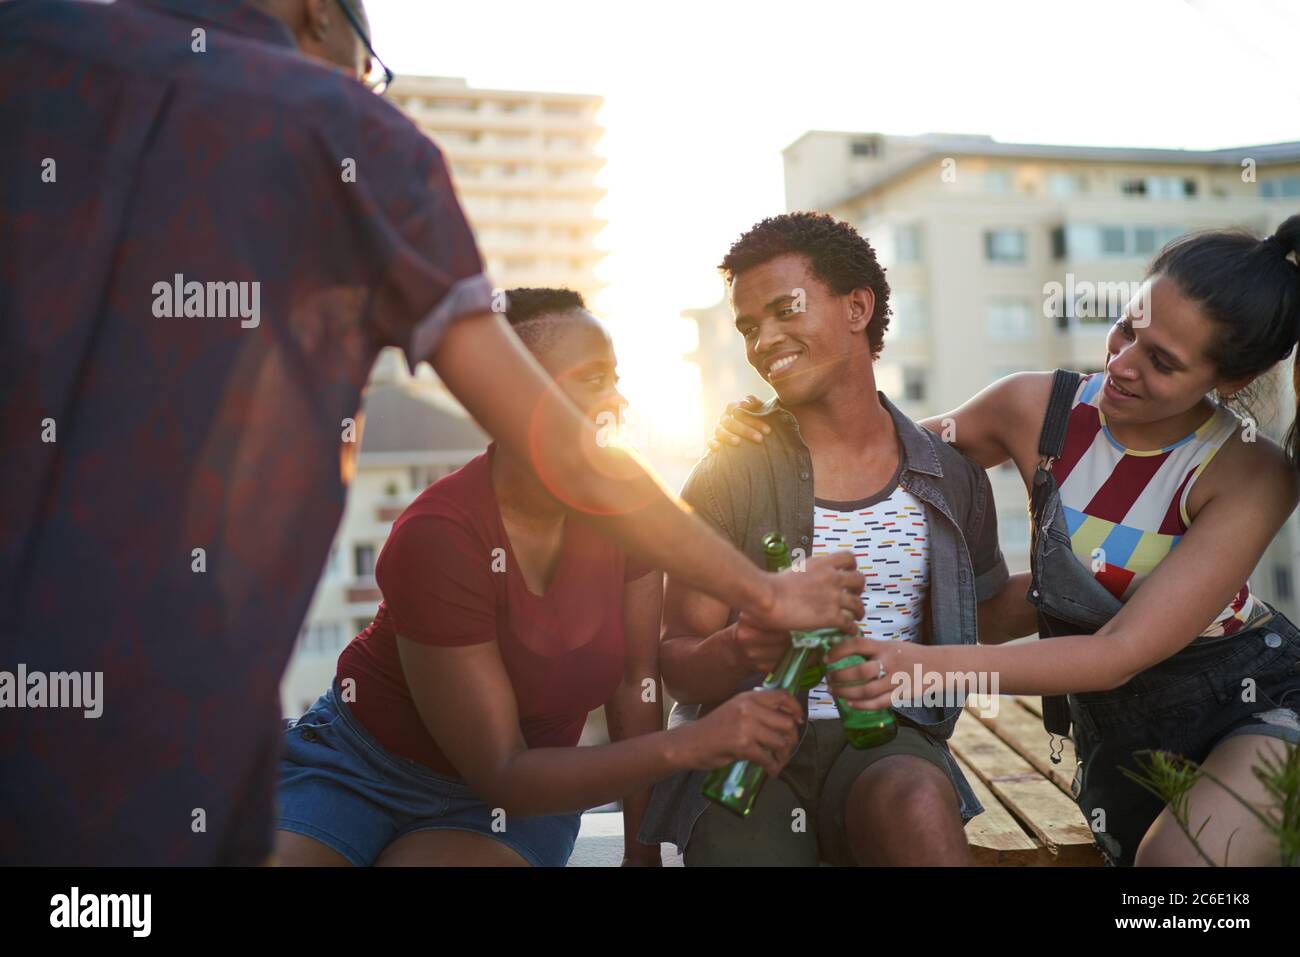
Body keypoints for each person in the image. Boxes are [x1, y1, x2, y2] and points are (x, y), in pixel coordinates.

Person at [0, 0, 862, 865]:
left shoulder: (26, 45)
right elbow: (569, 459)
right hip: (233, 736)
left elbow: (637, 674)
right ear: (314, 15)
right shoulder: (347, 135)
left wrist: (641, 846)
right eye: (370, 64)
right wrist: (771, 596)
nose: (365, 85)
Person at [717, 216, 1300, 866]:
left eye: (1161, 361)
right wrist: (775, 423)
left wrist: (920, 666)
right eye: (1127, 328)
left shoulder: (1252, 471)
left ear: (1228, 379)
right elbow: (884, 446)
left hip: (1252, 706)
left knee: (1177, 868)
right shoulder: (1036, 407)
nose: (1121, 364)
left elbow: (1117, 652)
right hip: (1118, 735)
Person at [276, 289, 805, 867]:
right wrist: (696, 743)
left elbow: (636, 683)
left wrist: (641, 853)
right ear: (517, 398)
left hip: (523, 798)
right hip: (360, 769)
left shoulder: (627, 503)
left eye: (615, 377)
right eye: (594, 379)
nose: (619, 399)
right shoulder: (439, 533)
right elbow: (502, 769)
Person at [638, 213, 1024, 867]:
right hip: (748, 742)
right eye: (749, 326)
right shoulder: (732, 470)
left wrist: (1105, 581)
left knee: (917, 805)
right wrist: (741, 644)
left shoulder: (948, 474)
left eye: (784, 309)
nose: (764, 341)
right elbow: (675, 661)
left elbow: (981, 615)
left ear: (857, 306)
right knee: (745, 848)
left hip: (885, 737)